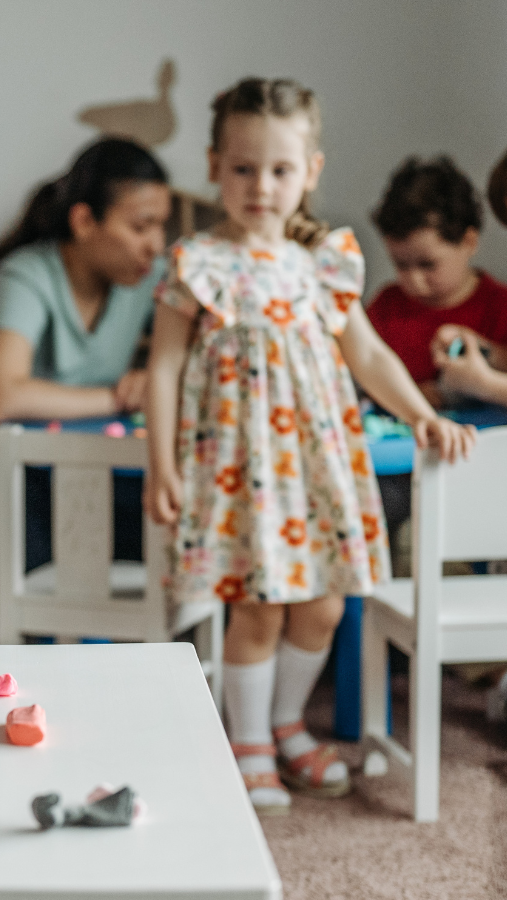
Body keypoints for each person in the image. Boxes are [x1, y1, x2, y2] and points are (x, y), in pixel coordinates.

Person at [144, 78, 474, 816]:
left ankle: (287, 723)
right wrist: (161, 465)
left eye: (280, 170)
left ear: (310, 173)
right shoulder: (197, 261)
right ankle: (248, 739)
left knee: (325, 604)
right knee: (259, 608)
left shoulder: (324, 260)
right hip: (241, 468)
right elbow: (163, 368)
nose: (261, 186)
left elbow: (370, 355)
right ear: (213, 165)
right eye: (243, 168)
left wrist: (421, 412)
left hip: (319, 465)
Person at [0, 138, 171, 643]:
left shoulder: (148, 279)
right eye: (140, 226)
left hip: (65, 458)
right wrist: (121, 394)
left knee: (145, 523)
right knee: (22, 530)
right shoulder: (25, 274)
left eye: (161, 226)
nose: (155, 244)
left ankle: (120, 666)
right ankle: (13, 674)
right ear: (83, 222)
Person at [367, 156, 507, 408]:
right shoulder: (385, 309)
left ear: (468, 242)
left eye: (427, 264)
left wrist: (489, 357)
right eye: (400, 265)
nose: (415, 281)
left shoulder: (500, 307)